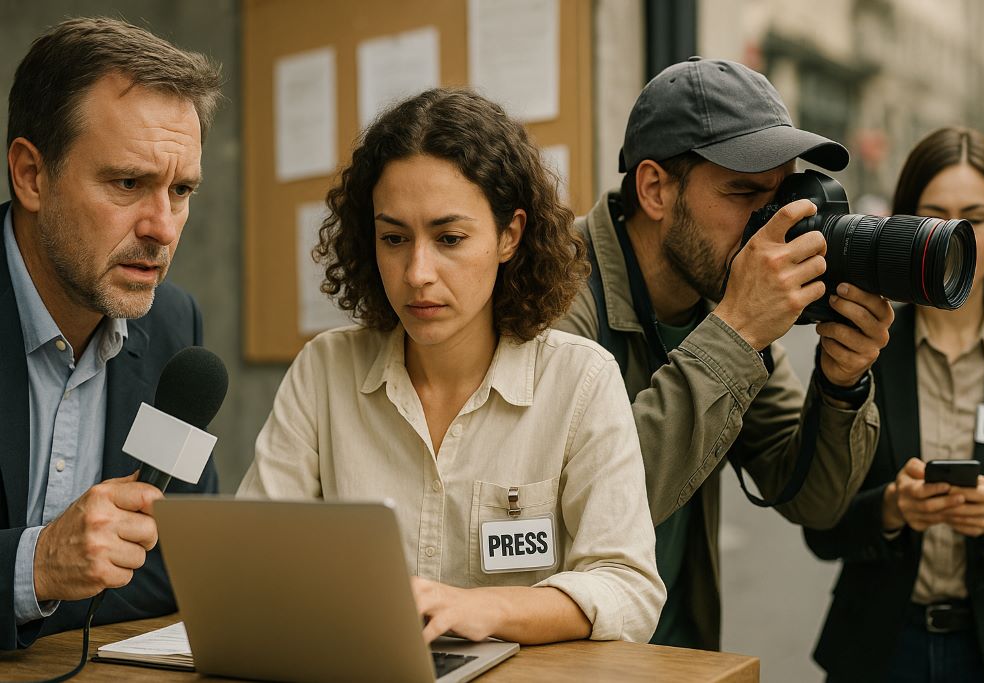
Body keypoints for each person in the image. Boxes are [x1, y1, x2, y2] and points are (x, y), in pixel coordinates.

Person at [237, 88, 666, 644]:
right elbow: (254, 561)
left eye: (450, 238)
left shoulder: (580, 380)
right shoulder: (324, 369)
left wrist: (488, 609)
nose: (417, 272)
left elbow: (629, 590)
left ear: (509, 235)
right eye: (394, 238)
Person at [554, 56, 895, 650]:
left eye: (781, 195)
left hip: (679, 654)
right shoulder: (556, 292)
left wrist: (843, 385)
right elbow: (588, 506)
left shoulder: (718, 294)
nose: (768, 222)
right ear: (655, 189)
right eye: (744, 193)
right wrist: (736, 332)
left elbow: (815, 501)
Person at [0, 18, 222, 649]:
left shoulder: (175, 324)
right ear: (31, 175)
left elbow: (182, 562)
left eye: (181, 190)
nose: (163, 228)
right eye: (128, 183)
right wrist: (35, 566)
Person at [805, 126, 984, 683]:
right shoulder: (860, 347)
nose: (957, 235)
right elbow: (819, 525)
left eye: (975, 217)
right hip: (879, 649)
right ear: (907, 228)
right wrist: (890, 509)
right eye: (936, 215)